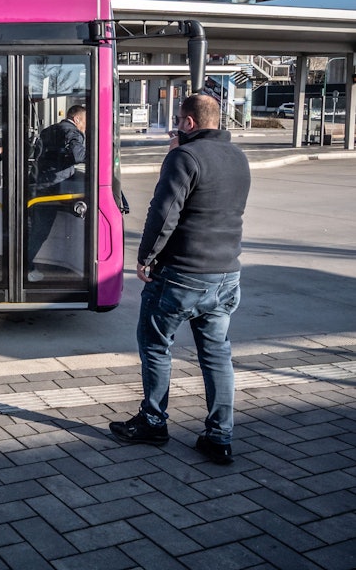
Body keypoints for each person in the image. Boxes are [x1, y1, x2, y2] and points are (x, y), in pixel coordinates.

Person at [109, 94, 250, 465]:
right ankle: (219, 437)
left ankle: (154, 421)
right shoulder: (238, 157)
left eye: (177, 121)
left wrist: (145, 258)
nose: (175, 127)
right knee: (216, 355)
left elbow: (164, 213)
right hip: (226, 275)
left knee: (156, 345)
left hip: (182, 275)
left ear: (189, 122)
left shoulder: (185, 157)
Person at [27, 105, 87, 281]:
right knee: (40, 232)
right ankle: (25, 268)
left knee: (35, 230)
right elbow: (78, 155)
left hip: (39, 184)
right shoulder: (72, 131)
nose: (85, 126)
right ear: (76, 119)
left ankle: (26, 265)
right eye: (85, 121)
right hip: (55, 189)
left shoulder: (49, 130)